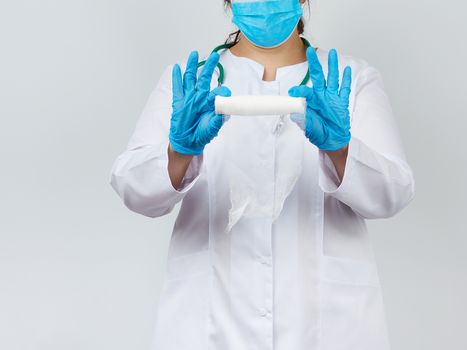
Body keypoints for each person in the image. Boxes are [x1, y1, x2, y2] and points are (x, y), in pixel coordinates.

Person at [110, 0, 415, 349]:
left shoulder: (349, 79)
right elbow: (133, 189)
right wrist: (179, 152)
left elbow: (394, 192)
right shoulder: (191, 81)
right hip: (210, 319)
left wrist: (339, 150)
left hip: (324, 324)